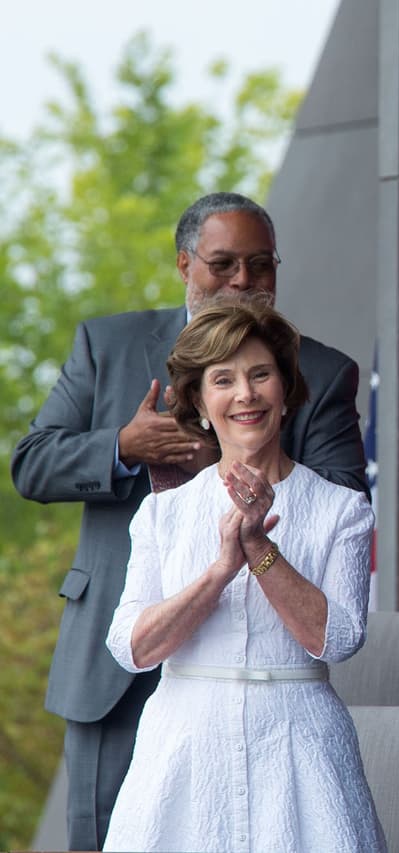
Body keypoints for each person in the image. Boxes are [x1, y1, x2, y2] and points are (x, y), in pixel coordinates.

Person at [9, 192, 367, 850]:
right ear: (184, 264)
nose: (242, 282)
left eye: (260, 265)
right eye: (223, 264)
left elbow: (342, 502)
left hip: (273, 665)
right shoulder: (107, 343)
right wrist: (122, 447)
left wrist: (235, 478)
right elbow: (31, 463)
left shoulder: (319, 369)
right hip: (117, 658)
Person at [101, 298, 384, 851]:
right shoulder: (163, 512)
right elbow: (131, 647)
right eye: (223, 380)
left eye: (261, 375)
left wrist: (259, 547)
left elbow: (338, 639)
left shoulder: (341, 509)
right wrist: (221, 570)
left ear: (286, 392)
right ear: (201, 403)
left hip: (300, 746)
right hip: (181, 751)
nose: (246, 394)